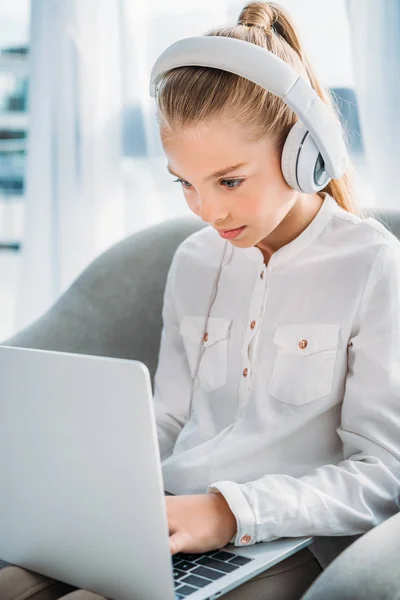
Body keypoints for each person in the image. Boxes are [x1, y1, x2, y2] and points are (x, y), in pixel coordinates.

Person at [1, 1, 400, 599]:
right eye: (185, 182)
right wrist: (93, 497)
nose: (208, 211)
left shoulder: (374, 266)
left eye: (229, 181)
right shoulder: (194, 259)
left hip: (285, 539)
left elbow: (382, 478)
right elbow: (167, 418)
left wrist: (227, 512)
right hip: (168, 515)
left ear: (303, 152)